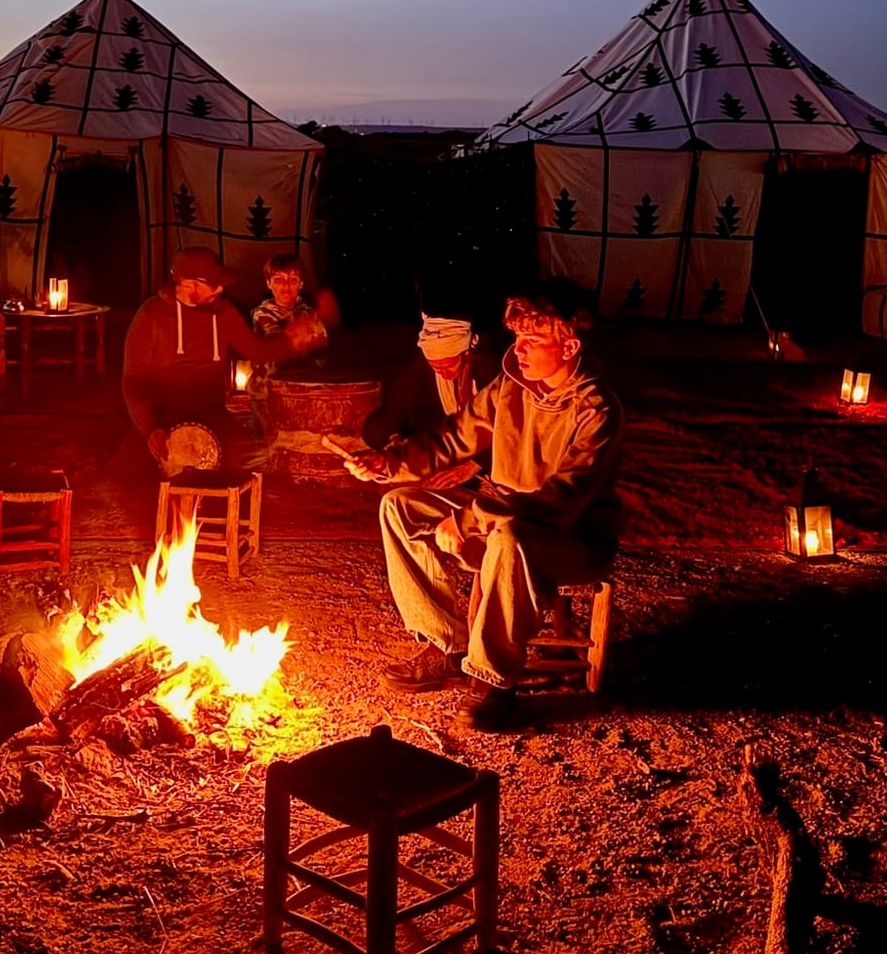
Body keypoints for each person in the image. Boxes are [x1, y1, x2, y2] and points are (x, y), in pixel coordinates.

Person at [345, 282, 623, 732]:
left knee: (511, 538)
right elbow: (455, 436)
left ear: (570, 347)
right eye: (518, 336)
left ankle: (493, 680)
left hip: (569, 535)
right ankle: (450, 645)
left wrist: (470, 518)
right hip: (502, 515)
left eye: (534, 340)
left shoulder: (596, 410)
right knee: (399, 506)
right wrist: (389, 463)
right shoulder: (511, 386)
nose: (520, 348)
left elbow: (561, 498)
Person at [122, 246, 324, 461]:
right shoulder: (151, 316)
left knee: (254, 461)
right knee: (132, 471)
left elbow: (258, 351)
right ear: (188, 284)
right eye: (213, 284)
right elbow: (134, 380)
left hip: (212, 414)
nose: (220, 288)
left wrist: (290, 339)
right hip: (162, 419)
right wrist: (151, 427)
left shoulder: (223, 312)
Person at [361, 308, 501, 450]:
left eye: (449, 366)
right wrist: (394, 437)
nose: (443, 373)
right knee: (376, 431)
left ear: (465, 353)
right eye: (436, 367)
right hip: (446, 428)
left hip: (482, 432)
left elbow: (491, 422)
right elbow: (398, 402)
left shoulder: (487, 367)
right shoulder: (424, 363)